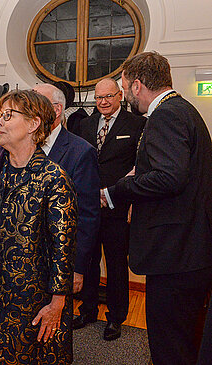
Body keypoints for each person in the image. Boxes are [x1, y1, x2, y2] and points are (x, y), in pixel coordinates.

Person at [0, 89, 78, 364]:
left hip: (33, 298)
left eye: (8, 115)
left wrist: (57, 304)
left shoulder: (53, 178)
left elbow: (62, 250)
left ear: (33, 124)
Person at [105, 51, 212, 365]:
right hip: (189, 251)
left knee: (170, 347)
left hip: (175, 255)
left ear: (137, 86)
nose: (127, 98)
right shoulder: (183, 110)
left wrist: (120, 189)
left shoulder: (166, 114)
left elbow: (170, 178)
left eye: (125, 90)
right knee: (186, 341)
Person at [71, 78, 146, 340]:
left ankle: (116, 317)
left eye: (108, 97)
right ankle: (87, 309)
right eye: (99, 97)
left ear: (120, 95)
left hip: (117, 207)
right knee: (88, 262)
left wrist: (116, 196)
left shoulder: (137, 124)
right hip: (88, 208)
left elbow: (140, 166)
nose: (103, 102)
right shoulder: (85, 124)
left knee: (115, 266)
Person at [33, 84, 101, 295]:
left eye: (36, 104)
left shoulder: (81, 152)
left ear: (57, 110)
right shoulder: (22, 147)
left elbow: (87, 215)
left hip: (59, 261)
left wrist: (78, 268)